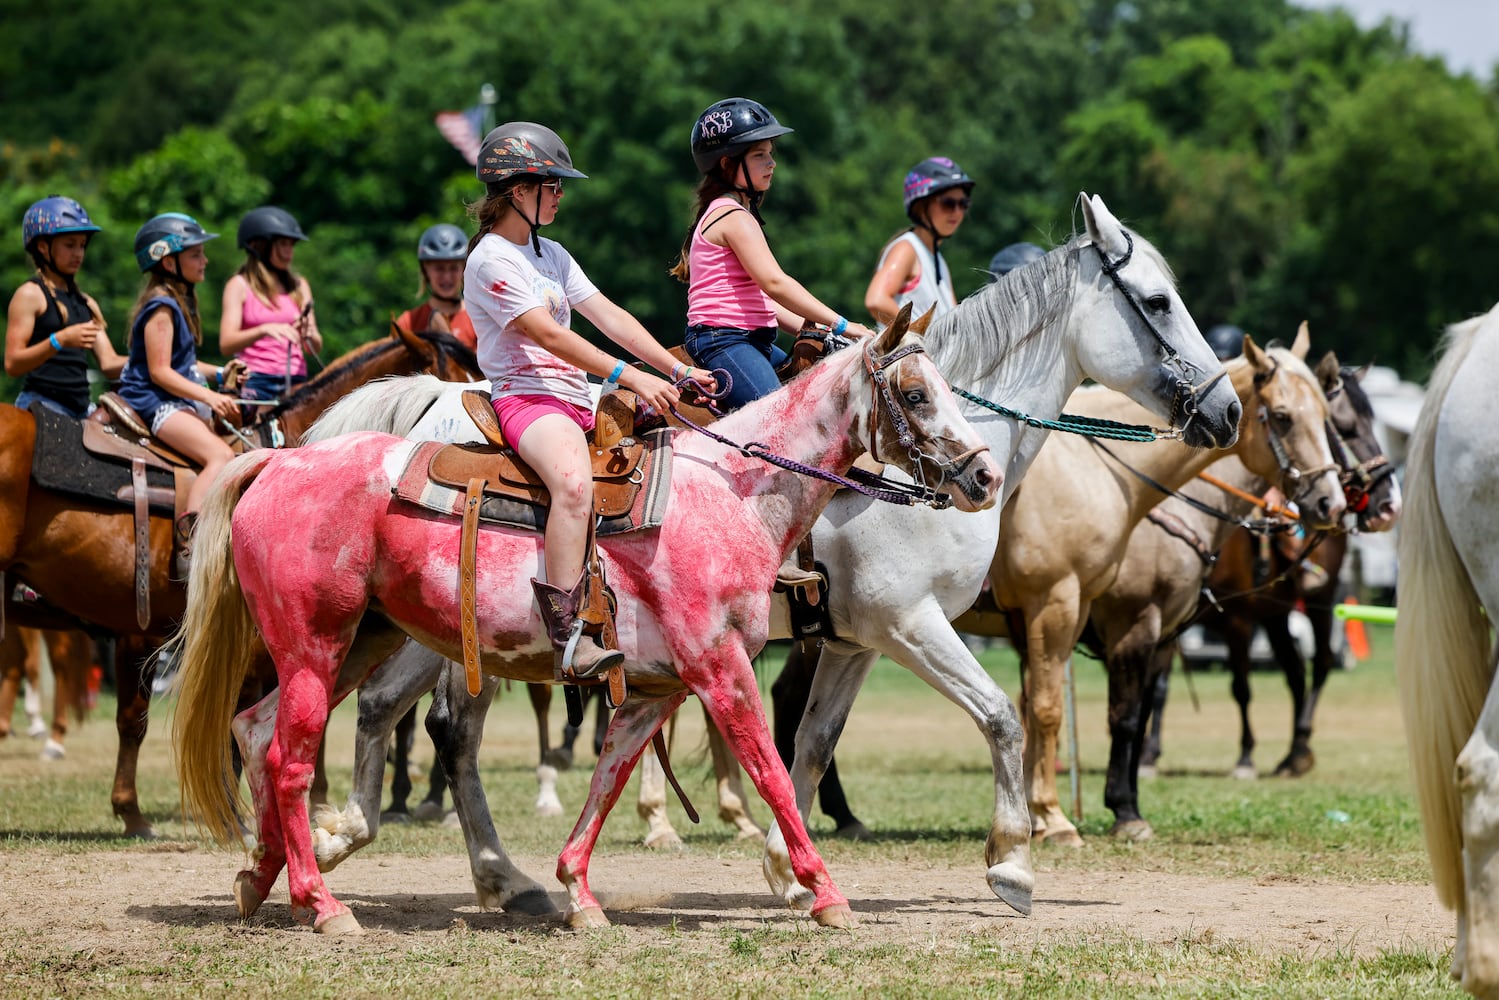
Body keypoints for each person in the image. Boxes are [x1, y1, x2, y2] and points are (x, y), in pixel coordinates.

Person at [468, 121, 715, 681]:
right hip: (528, 400)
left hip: (580, 394)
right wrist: (630, 376)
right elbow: (550, 336)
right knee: (574, 486)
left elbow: (610, 317)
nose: (560, 194)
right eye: (551, 184)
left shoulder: (550, 252)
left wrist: (677, 370)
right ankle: (569, 633)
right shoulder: (490, 260)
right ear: (516, 190)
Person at [671, 97, 873, 412]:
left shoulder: (734, 213)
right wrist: (843, 325)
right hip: (724, 342)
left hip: (752, 343)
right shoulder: (731, 216)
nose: (771, 163)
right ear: (727, 164)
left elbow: (765, 302)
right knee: (781, 424)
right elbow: (775, 283)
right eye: (759, 155)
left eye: (771, 154)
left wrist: (816, 333)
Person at [118, 213, 240, 577]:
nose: (205, 261)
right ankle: (189, 544)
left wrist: (220, 374)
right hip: (154, 403)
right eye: (196, 255)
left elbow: (182, 364)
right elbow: (160, 371)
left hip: (170, 397)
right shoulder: (162, 306)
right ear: (168, 261)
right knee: (219, 455)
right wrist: (210, 398)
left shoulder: (175, 301)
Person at [5, 196, 126, 417]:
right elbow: (13, 364)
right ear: (43, 247)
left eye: (82, 245)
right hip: (41, 405)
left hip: (81, 409)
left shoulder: (86, 303)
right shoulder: (30, 295)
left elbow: (109, 363)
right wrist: (59, 340)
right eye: (70, 245)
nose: (78, 253)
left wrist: (155, 365)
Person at [219, 205, 322, 403]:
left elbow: (314, 348)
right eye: (283, 244)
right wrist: (264, 329)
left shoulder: (300, 286)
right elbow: (226, 344)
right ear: (260, 246)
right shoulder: (238, 285)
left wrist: (308, 334)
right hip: (254, 379)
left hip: (296, 380)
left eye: (292, 245)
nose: (289, 252)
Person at [864, 157, 976, 326]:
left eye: (963, 203)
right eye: (948, 203)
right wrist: (919, 335)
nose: (957, 211)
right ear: (921, 206)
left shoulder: (938, 260)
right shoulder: (907, 249)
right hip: (908, 353)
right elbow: (876, 300)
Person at [395, 223, 476, 350]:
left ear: (464, 269)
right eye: (439, 269)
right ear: (425, 270)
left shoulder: (478, 320)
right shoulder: (408, 323)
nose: (447, 277)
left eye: (454, 268)